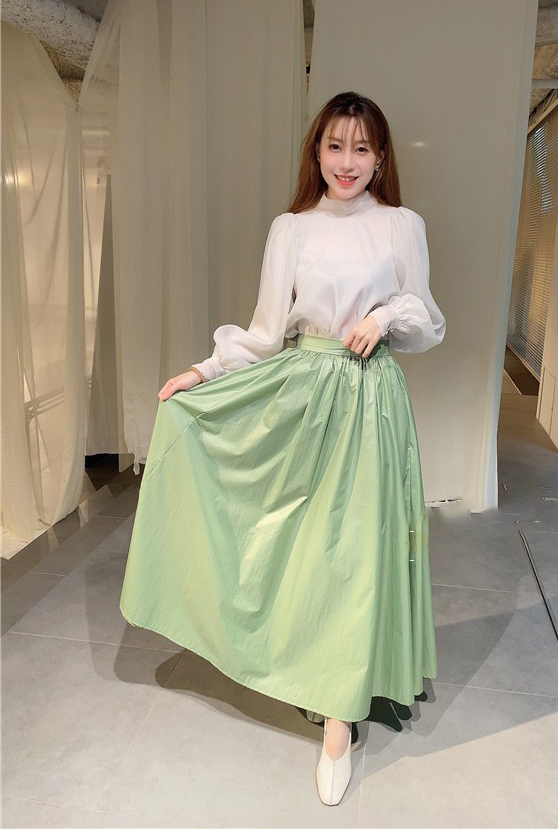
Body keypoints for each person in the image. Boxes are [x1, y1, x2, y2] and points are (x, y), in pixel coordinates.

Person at [119, 90, 446, 807]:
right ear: (316, 151)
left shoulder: (401, 225)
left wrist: (386, 315)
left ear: (381, 156)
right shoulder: (291, 230)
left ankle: (339, 723)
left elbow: (427, 318)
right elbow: (267, 333)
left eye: (362, 148)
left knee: (357, 553)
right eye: (335, 145)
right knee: (306, 549)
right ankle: (311, 669)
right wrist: (203, 373)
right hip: (303, 395)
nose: (347, 162)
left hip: (372, 404)